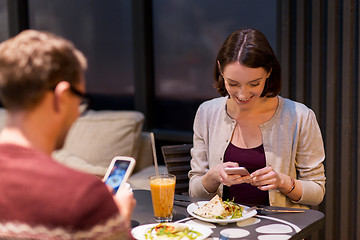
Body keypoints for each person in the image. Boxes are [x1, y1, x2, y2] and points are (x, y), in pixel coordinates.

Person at [0, 30, 136, 239]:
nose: (77, 112)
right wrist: (119, 219)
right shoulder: (82, 196)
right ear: (62, 97)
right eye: (80, 99)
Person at [188, 28, 326, 209]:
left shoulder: (300, 117)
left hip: (279, 231)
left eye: (254, 84)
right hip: (223, 231)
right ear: (221, 70)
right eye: (233, 83)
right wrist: (213, 176)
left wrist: (283, 181)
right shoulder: (207, 113)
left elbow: (317, 192)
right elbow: (194, 191)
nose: (243, 94)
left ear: (269, 72)